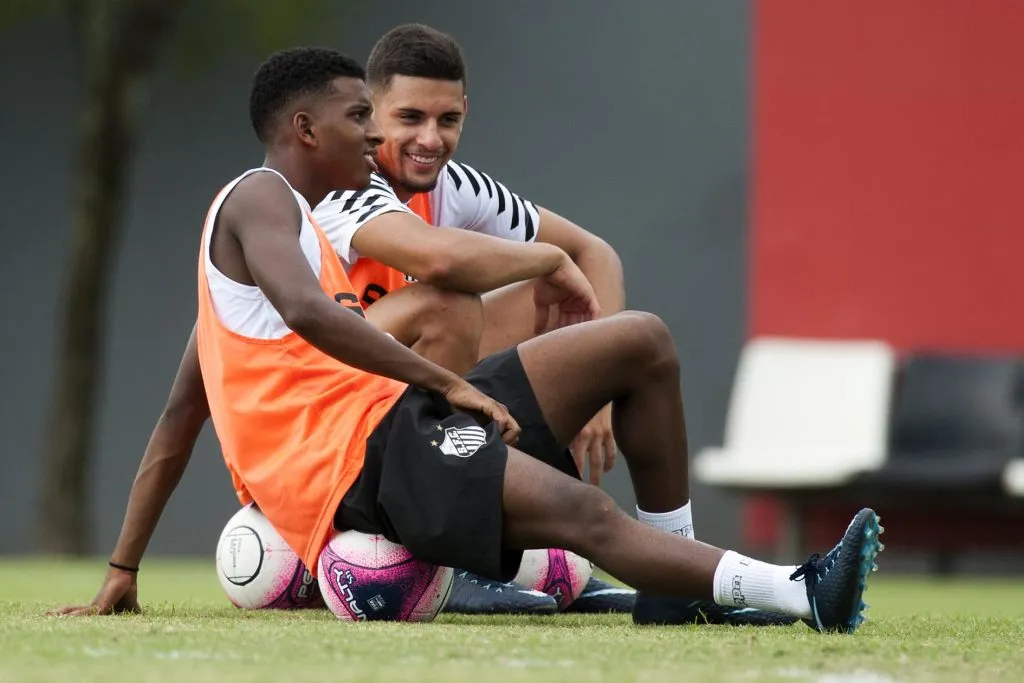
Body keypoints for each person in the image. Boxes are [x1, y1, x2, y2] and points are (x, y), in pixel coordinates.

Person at [50, 47, 882, 637]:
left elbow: (179, 418)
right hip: (359, 464)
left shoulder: (279, 240)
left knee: (640, 341)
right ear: (304, 129)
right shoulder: (259, 197)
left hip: (394, 419)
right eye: (359, 116)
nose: (374, 134)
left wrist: (123, 569)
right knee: (582, 512)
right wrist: (450, 383)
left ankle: (679, 585)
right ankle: (803, 590)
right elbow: (312, 314)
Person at [313, 23, 632, 616]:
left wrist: (598, 399)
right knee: (449, 302)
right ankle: (446, 549)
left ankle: (540, 542)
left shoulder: (454, 186)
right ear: (369, 113)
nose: (430, 139)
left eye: (448, 120)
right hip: (330, 431)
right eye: (410, 117)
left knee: (547, 299)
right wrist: (549, 259)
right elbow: (439, 260)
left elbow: (597, 255)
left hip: (404, 412)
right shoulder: (341, 186)